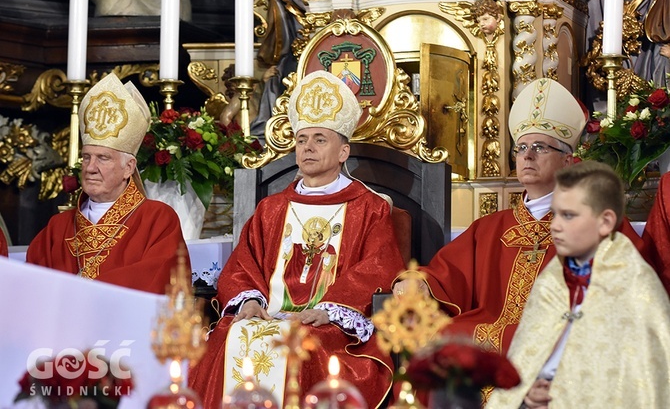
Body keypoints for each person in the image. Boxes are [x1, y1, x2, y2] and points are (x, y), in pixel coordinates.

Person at [188, 70, 405, 408]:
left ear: (343, 151)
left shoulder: (368, 207)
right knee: (228, 335)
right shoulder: (272, 208)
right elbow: (243, 265)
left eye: (320, 139)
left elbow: (379, 267)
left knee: (302, 346)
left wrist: (329, 310)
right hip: (267, 315)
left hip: (325, 324)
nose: (308, 148)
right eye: (302, 139)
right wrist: (248, 302)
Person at [392, 78, 643, 355]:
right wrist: (419, 283)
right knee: (442, 337)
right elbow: (446, 276)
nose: (527, 156)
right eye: (521, 148)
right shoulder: (488, 229)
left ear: (569, 161)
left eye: (540, 147)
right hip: (491, 341)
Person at [487, 161, 670, 408]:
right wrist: (526, 394)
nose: (555, 226)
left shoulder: (634, 284)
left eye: (568, 215)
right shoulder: (551, 281)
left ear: (605, 222)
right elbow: (527, 361)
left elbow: (639, 383)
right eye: (555, 213)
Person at [26, 73, 188, 294]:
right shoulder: (58, 227)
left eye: (103, 158)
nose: (90, 167)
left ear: (128, 168)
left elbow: (162, 278)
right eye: (86, 157)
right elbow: (31, 286)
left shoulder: (157, 219)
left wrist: (84, 290)